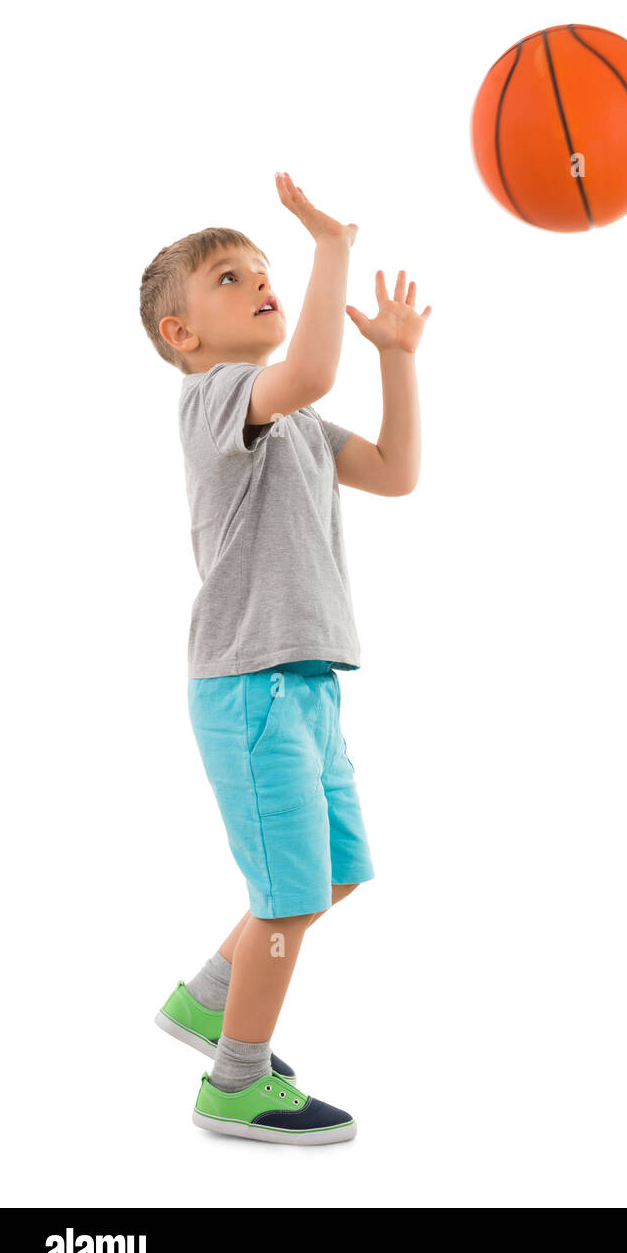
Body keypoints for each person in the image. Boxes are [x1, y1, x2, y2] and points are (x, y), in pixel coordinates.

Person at [139, 171, 431, 1144]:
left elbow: (395, 474)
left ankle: (209, 999)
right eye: (231, 278)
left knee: (337, 871)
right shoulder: (219, 398)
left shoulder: (294, 419)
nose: (261, 282)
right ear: (182, 334)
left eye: (265, 270)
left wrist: (396, 356)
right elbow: (304, 372)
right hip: (249, 686)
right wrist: (330, 248)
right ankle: (234, 1080)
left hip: (305, 686)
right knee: (288, 897)